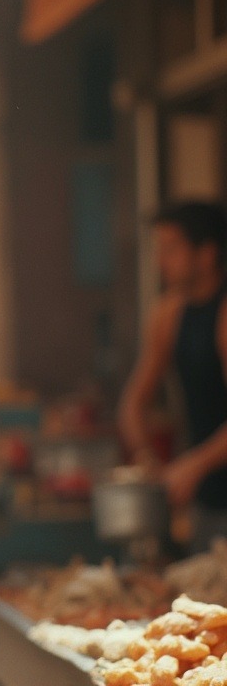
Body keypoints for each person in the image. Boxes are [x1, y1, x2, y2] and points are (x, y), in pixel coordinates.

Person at [119, 201, 227, 551]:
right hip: (201, 499)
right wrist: (146, 457)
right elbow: (133, 404)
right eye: (158, 249)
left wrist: (193, 466)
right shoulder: (168, 313)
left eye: (171, 249)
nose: (159, 261)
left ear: (207, 254)